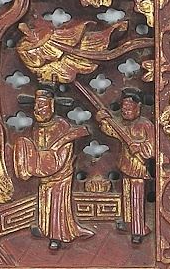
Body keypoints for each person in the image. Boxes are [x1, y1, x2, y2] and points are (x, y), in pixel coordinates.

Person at [14, 89, 95, 249]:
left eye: (42, 106)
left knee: (57, 203)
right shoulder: (37, 127)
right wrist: (36, 162)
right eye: (36, 106)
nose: (38, 110)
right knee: (45, 201)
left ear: (51, 106)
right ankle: (45, 229)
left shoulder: (61, 125)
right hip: (44, 172)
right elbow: (36, 151)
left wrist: (51, 161)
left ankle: (57, 236)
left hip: (60, 174)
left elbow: (64, 150)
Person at [97, 89, 154, 243]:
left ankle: (138, 229)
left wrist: (139, 146)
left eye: (129, 108)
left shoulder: (145, 125)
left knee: (136, 198)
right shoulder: (122, 123)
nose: (125, 111)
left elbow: (152, 148)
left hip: (139, 168)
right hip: (125, 166)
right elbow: (112, 131)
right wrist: (103, 120)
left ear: (138, 107)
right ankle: (128, 224)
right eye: (123, 108)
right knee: (127, 197)